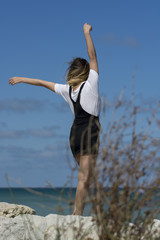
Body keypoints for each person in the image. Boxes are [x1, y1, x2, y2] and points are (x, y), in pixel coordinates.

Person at [9, 23, 101, 216]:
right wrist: (86, 33)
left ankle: (81, 211)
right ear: (85, 72)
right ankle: (77, 214)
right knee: (85, 177)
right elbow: (92, 56)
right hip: (88, 134)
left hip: (74, 136)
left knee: (86, 176)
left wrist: (21, 78)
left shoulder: (66, 90)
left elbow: (43, 83)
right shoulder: (91, 84)